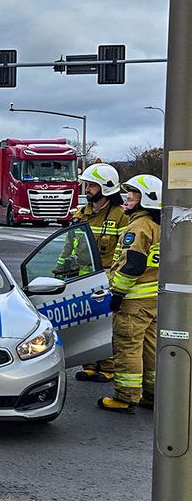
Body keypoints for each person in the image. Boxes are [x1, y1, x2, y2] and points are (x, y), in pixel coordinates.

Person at [59, 163, 128, 382]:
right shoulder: (82, 213)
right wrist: (60, 270)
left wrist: (115, 279)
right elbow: (68, 244)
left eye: (91, 186)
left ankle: (107, 366)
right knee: (86, 322)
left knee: (105, 324)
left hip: (107, 278)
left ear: (106, 188)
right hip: (82, 278)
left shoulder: (120, 216)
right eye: (87, 185)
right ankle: (90, 364)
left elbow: (124, 251)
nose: (86, 189)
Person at [99, 174, 162, 414]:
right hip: (153, 299)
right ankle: (152, 393)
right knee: (150, 346)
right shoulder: (158, 225)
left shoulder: (138, 226)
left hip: (133, 301)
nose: (127, 197)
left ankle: (125, 396)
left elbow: (133, 264)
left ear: (146, 199)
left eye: (133, 194)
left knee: (128, 346)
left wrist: (117, 293)